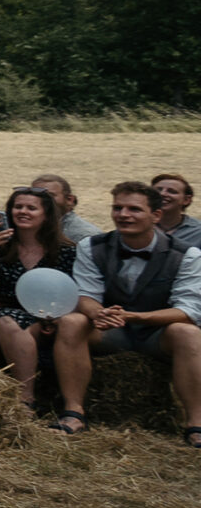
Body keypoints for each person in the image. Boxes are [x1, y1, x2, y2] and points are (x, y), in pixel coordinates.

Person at [47, 181, 201, 445]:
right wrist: (98, 313)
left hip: (158, 333)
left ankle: (196, 423)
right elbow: (85, 294)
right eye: (117, 208)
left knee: (188, 332)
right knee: (71, 321)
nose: (123, 215)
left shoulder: (186, 255)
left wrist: (137, 317)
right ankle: (73, 413)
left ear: (156, 215)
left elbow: (188, 310)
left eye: (134, 209)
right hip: (111, 330)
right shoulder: (92, 246)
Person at [0, 185, 75, 408]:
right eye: (17, 207)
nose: (23, 211)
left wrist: (54, 317)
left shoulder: (65, 250)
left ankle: (25, 399)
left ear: (47, 215)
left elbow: (71, 291)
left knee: (8, 322)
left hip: (40, 312)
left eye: (32, 208)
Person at [33, 173, 104, 244]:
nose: (42, 200)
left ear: (69, 199)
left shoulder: (86, 236)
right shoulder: (29, 230)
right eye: (35, 195)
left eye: (50, 195)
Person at [154, 172, 199, 252]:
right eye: (158, 190)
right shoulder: (136, 225)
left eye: (172, 191)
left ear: (186, 200)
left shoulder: (198, 231)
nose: (163, 194)